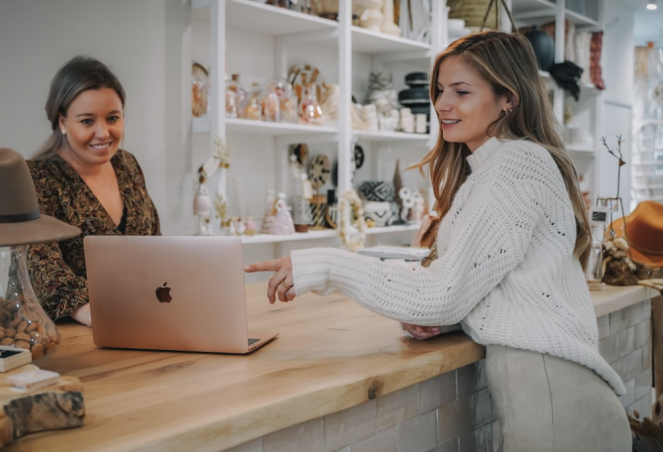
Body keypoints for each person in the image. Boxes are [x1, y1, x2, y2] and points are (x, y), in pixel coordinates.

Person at [245, 31, 631, 451]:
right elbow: (491, 279)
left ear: (509, 99)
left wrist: (327, 265)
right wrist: (445, 319)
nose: (442, 104)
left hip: (554, 391)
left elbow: (444, 291)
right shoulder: (489, 170)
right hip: (550, 385)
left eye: (461, 92)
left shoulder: (517, 164)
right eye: (441, 90)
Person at [27, 56, 160, 326]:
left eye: (113, 118)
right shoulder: (37, 177)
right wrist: (94, 313)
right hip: (65, 333)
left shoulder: (127, 164)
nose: (103, 133)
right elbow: (41, 265)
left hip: (137, 319)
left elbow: (154, 243)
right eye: (87, 121)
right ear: (62, 121)